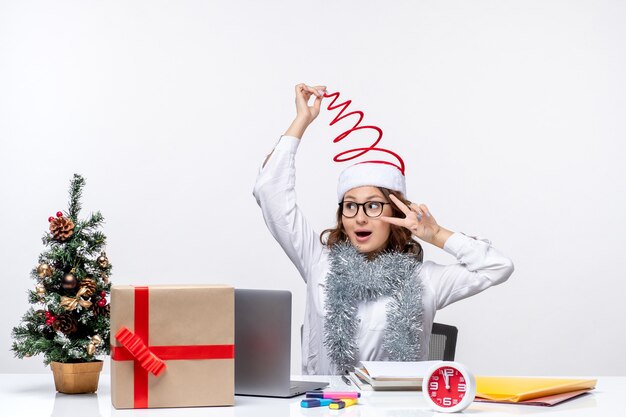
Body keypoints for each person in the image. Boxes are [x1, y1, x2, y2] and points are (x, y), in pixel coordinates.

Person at [253, 83, 514, 375]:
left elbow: (498, 267)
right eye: (350, 206)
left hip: (400, 409)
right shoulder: (319, 262)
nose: (360, 218)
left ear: (395, 212)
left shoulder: (425, 279)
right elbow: (270, 193)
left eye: (373, 206)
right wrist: (302, 120)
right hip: (327, 407)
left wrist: (436, 234)